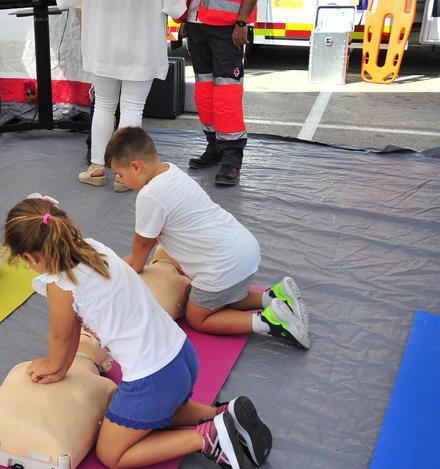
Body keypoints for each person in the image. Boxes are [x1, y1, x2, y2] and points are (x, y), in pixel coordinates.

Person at [3, 196, 272, 469]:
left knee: (111, 454)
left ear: (31, 258)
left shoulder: (60, 282)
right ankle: (221, 415)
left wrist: (53, 366)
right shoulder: (95, 248)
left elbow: (62, 336)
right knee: (157, 413)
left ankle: (205, 438)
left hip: (154, 378)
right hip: (182, 355)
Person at [106, 127, 310, 348]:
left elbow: (143, 241)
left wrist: (134, 266)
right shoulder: (171, 171)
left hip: (223, 266)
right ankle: (275, 296)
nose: (120, 179)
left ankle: (270, 321)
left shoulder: (149, 195)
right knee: (223, 299)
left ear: (136, 166)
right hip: (244, 250)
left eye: (120, 174)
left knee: (199, 318)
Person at [57, 0, 186, 193]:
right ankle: (124, 174)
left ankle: (96, 167)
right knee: (133, 108)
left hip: (102, 45)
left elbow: (65, 2)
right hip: (142, 45)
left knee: (103, 105)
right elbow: (175, 8)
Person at [176, 0, 257, 186]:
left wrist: (242, 22)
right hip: (196, 22)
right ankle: (214, 147)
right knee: (204, 92)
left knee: (227, 94)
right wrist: (185, 18)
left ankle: (231, 158)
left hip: (227, 25)